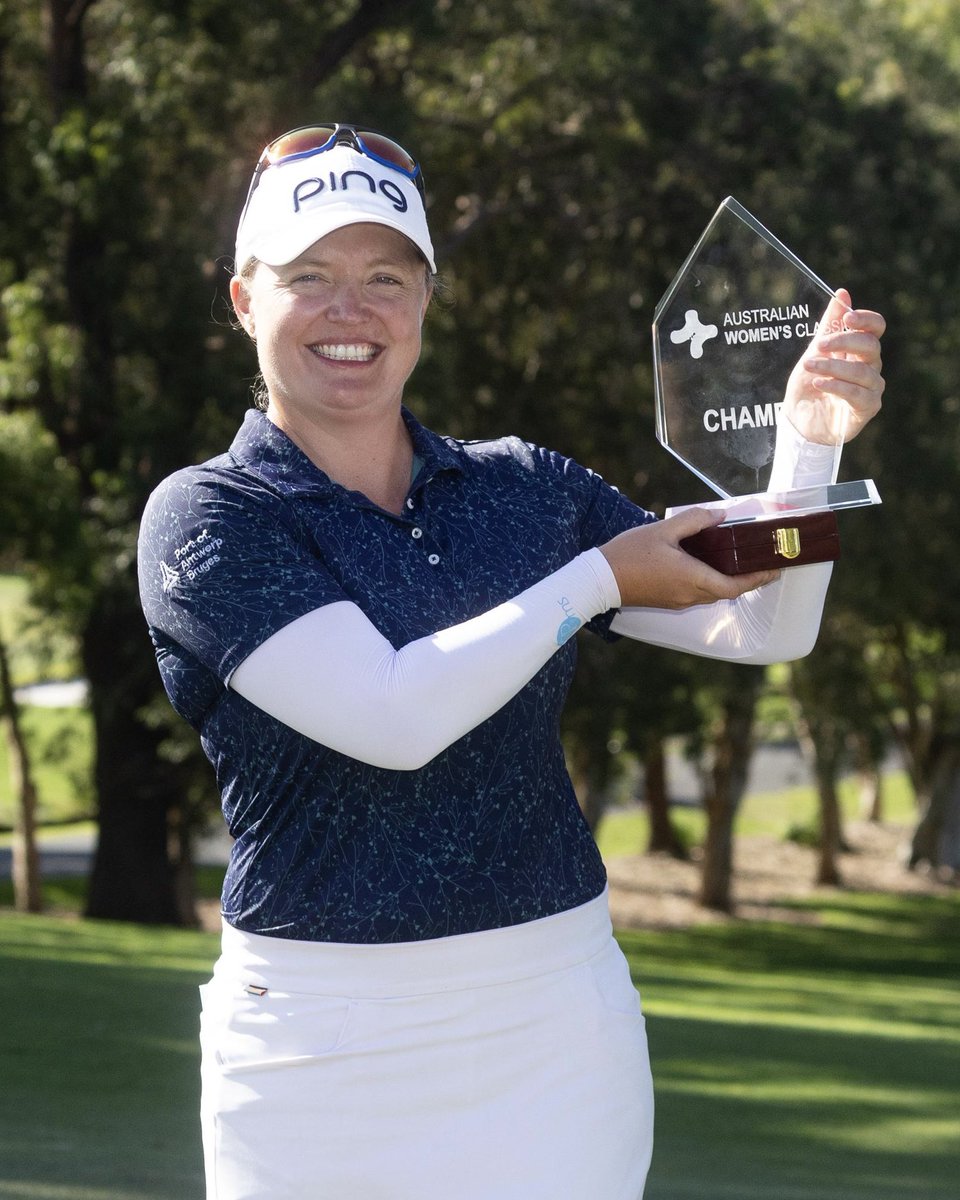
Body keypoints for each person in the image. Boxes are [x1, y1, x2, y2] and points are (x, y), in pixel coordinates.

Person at [137, 123, 885, 1200]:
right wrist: (595, 582)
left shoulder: (526, 486)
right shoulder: (210, 516)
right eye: (311, 277)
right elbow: (392, 717)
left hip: (556, 1022)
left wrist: (808, 448)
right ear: (246, 301)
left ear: (427, 300)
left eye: (385, 277)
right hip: (315, 1050)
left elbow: (764, 627)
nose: (352, 311)